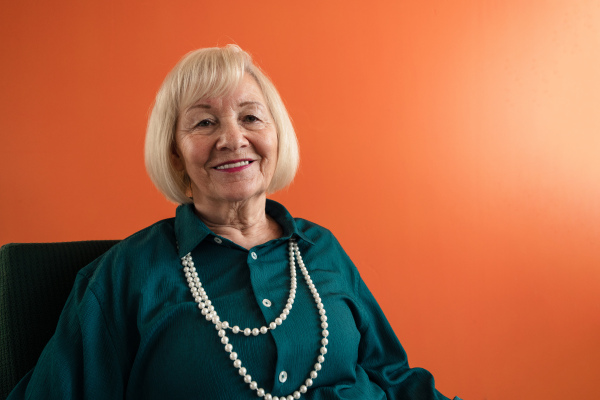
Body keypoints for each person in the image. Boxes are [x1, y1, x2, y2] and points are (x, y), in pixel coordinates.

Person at [8, 45, 461, 400]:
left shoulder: (322, 249)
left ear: (275, 137)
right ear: (175, 153)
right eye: (204, 122)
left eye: (250, 117)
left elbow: (392, 376)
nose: (233, 138)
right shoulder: (125, 275)